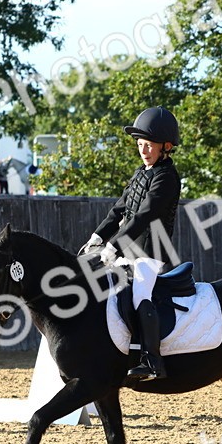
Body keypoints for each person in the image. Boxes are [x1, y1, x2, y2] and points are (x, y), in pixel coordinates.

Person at [78, 106, 182, 382]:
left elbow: (143, 216)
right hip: (127, 249)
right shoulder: (140, 174)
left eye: (149, 145)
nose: (143, 150)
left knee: (139, 295)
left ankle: (152, 360)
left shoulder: (166, 177)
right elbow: (119, 210)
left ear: (166, 146)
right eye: (140, 145)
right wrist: (97, 237)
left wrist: (114, 246)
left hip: (150, 251)